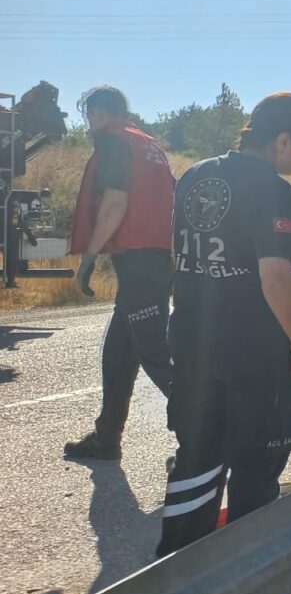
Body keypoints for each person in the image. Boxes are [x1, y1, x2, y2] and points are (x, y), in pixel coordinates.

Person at [156, 93, 291, 556]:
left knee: (197, 457)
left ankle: (177, 571)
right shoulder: (272, 189)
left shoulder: (194, 175)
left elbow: (180, 257)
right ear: (282, 140)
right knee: (257, 460)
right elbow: (275, 275)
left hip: (192, 340)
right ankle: (245, 579)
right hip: (253, 352)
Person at [64, 86, 175, 461]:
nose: (89, 122)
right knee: (117, 353)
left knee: (156, 354)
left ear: (96, 113)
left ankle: (208, 434)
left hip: (140, 262)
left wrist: (90, 256)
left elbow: (114, 203)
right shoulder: (148, 145)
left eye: (88, 114)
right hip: (155, 258)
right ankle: (107, 436)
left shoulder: (113, 143)